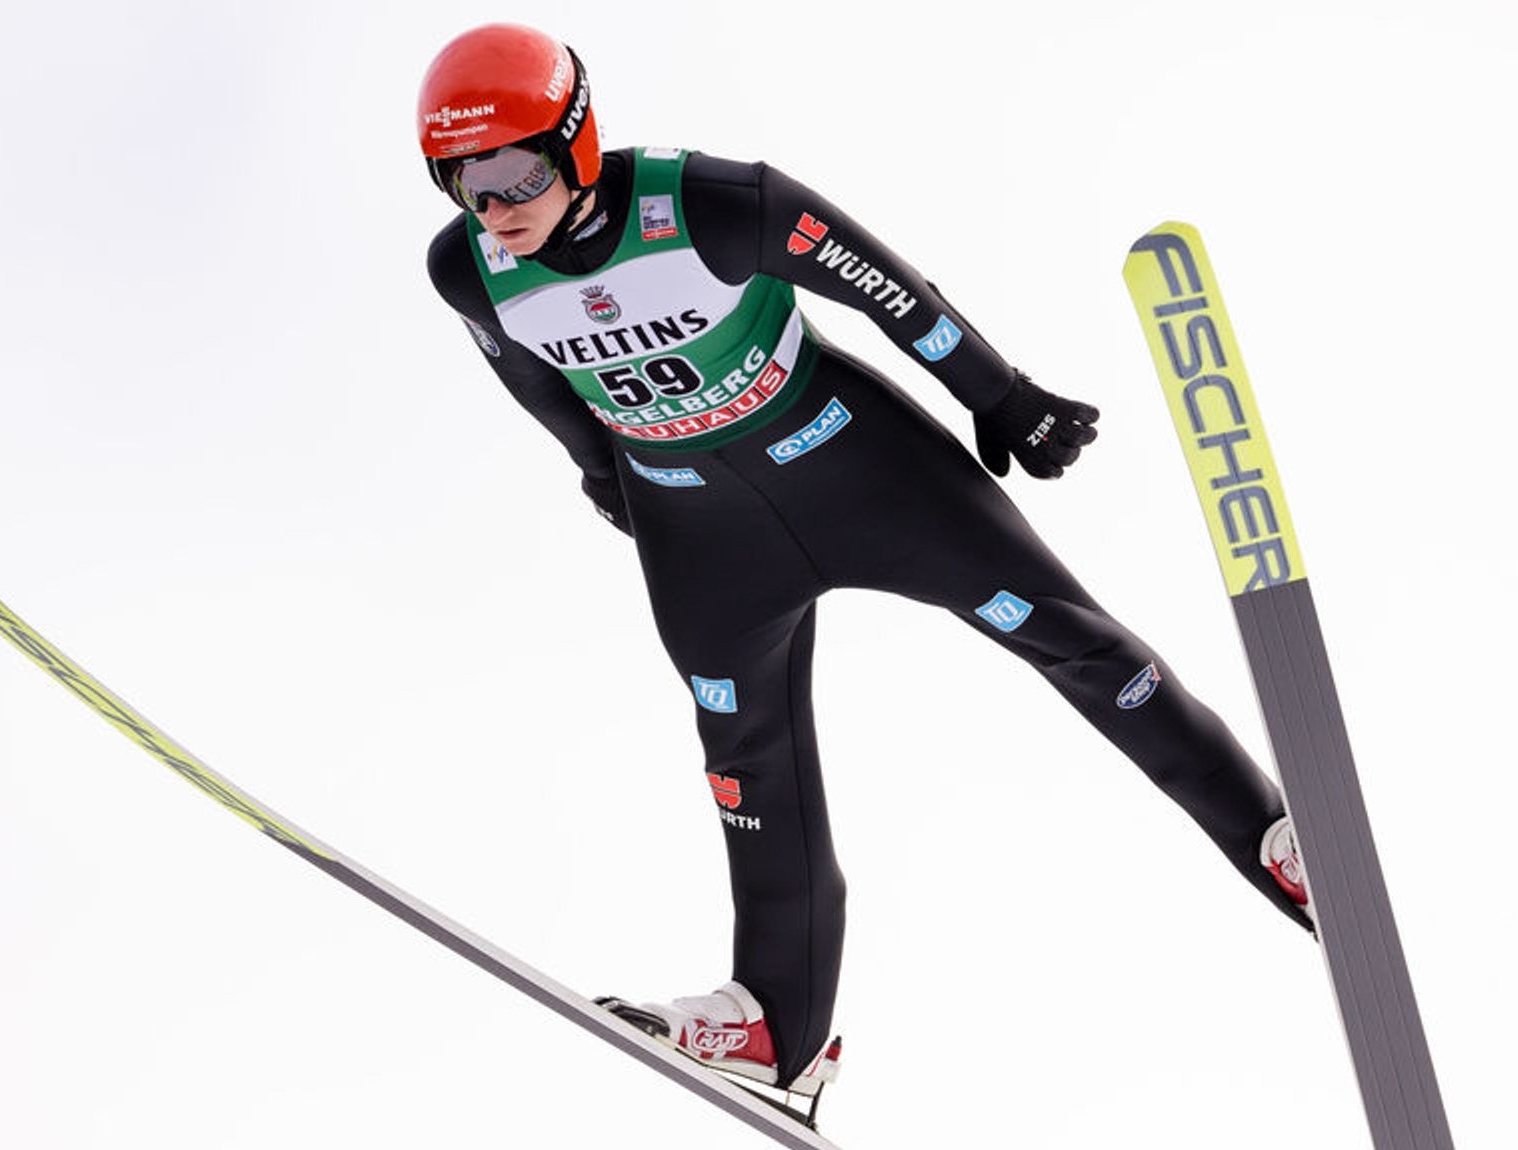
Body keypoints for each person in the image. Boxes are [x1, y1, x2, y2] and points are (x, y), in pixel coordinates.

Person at [419, 23, 1314, 1100]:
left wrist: (1001, 396)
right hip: (701, 534)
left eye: (514, 167)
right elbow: (541, 386)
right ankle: (775, 1028)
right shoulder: (467, 270)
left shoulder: (714, 203)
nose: (494, 202)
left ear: (574, 140)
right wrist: (603, 477)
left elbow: (884, 289)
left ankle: (1272, 837)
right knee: (745, 764)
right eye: (462, 181)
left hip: (857, 468)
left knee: (1070, 640)